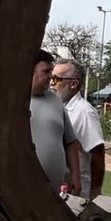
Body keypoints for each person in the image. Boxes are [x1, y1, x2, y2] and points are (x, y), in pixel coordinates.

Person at [52, 59, 106, 199]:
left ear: (73, 84)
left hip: (77, 194)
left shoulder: (84, 112)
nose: (52, 83)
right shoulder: (58, 108)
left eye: (57, 79)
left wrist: (95, 192)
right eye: (51, 78)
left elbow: (98, 152)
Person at [30, 50, 82, 194]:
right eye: (46, 71)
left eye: (51, 71)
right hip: (22, 190)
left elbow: (70, 142)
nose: (50, 76)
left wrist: (75, 176)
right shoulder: (12, 103)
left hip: (55, 192)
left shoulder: (55, 100)